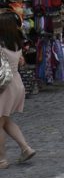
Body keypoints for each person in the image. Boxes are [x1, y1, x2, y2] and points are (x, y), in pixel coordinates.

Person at [0, 10, 36, 168]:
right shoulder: (16, 44)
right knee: (5, 121)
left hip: (4, 87)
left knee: (0, 123)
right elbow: (20, 62)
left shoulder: (1, 45)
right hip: (15, 83)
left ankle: (1, 160)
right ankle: (26, 148)